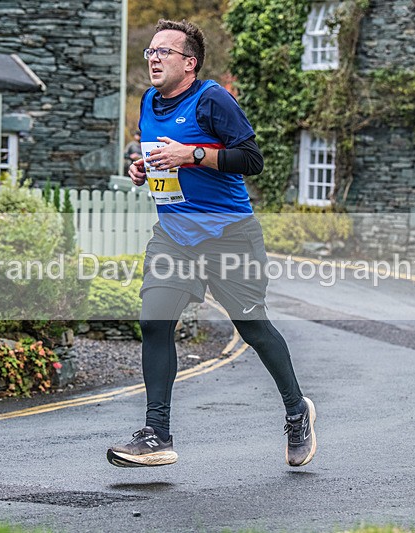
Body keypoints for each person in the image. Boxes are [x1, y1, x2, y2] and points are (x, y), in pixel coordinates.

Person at [106, 19, 316, 468]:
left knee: (252, 327)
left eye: (164, 52)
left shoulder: (212, 99)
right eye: (150, 52)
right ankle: (157, 434)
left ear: (190, 63)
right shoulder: (148, 101)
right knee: (155, 322)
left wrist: (194, 154)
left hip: (229, 235)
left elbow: (252, 159)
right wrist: (142, 168)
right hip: (175, 235)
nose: (154, 59)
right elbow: (157, 155)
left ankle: (297, 410)